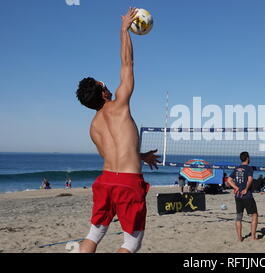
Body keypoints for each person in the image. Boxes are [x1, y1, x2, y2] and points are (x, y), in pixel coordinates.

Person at [75, 8, 161, 253]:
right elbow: (127, 63)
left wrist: (142, 156)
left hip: (105, 181)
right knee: (131, 242)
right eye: (103, 83)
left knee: (94, 234)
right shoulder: (120, 103)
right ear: (103, 92)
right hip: (128, 183)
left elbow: (113, 153)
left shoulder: (93, 127)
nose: (107, 83)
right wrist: (124, 30)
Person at [227, 152, 258, 241]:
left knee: (239, 216)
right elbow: (250, 180)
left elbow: (229, 180)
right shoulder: (249, 168)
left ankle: (239, 238)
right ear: (247, 158)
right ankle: (253, 237)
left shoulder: (237, 168)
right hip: (247, 196)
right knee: (254, 215)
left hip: (238, 196)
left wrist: (235, 187)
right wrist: (246, 189)